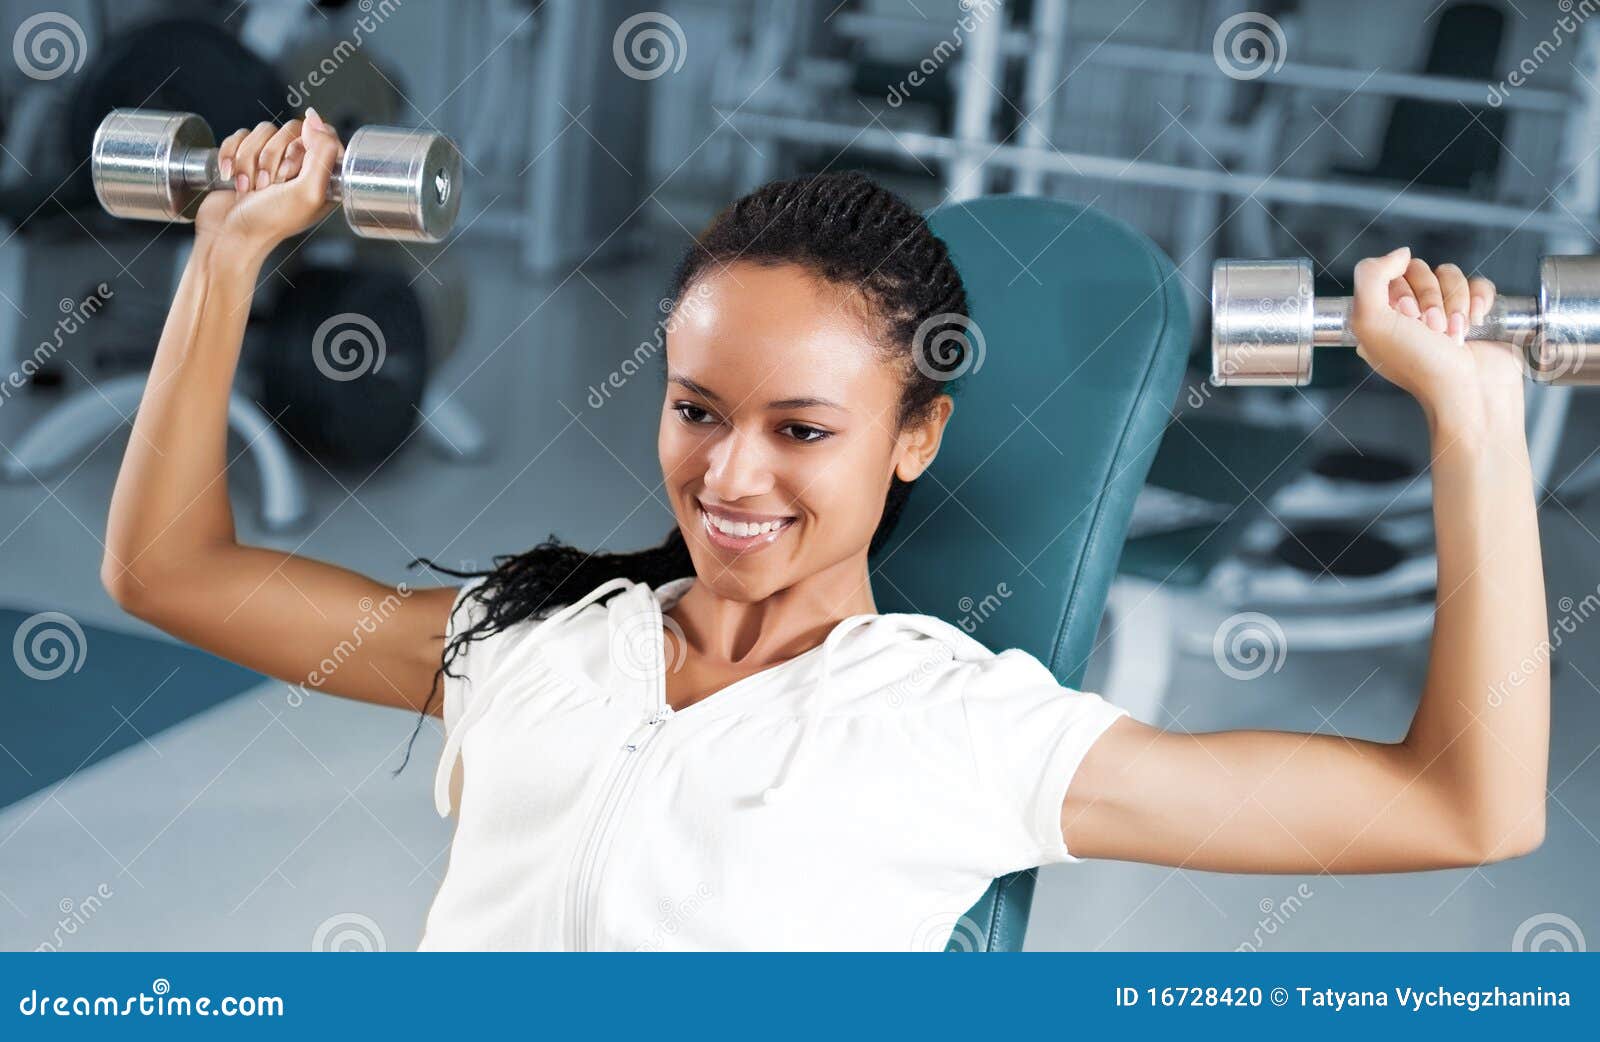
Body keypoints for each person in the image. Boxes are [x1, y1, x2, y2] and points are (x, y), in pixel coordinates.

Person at [102, 114, 1549, 951]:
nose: (730, 475)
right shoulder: (537, 641)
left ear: (915, 437)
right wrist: (228, 256)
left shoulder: (957, 726)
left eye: (802, 429)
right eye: (696, 409)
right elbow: (171, 571)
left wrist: (1473, 419)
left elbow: (1462, 808)